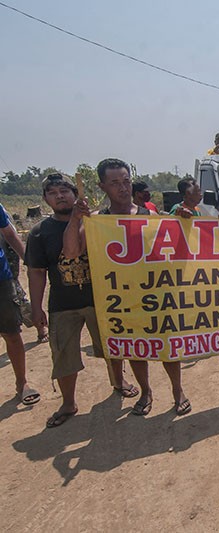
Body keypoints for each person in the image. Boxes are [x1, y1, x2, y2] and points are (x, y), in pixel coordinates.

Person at [64, 158, 191, 416]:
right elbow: (72, 252)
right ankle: (146, 391)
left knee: (167, 344)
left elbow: (178, 250)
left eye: (126, 181)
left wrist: (184, 221)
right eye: (115, 183)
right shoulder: (97, 220)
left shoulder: (150, 216)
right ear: (102, 187)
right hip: (120, 298)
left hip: (154, 293)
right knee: (134, 347)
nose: (123, 188)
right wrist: (76, 219)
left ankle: (178, 390)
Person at [26, 174, 140, 427]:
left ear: (75, 194)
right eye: (53, 192)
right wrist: (36, 308)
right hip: (62, 303)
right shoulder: (39, 233)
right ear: (45, 199)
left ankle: (119, 381)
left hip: (101, 299)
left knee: (112, 345)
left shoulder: (98, 223)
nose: (60, 196)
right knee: (64, 354)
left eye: (64, 190)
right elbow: (36, 272)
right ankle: (68, 402)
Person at [0, 201, 39, 407]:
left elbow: (10, 235)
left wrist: (30, 261)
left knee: (12, 333)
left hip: (1, 279)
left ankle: (21, 383)